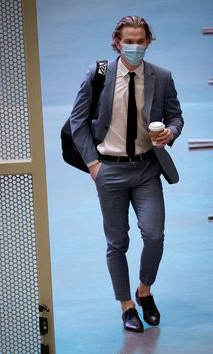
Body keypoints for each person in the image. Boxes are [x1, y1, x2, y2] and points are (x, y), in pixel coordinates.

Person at [70, 15, 184, 332]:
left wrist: (171, 133)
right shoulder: (99, 74)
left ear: (148, 42)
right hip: (110, 171)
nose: (134, 46)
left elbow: (176, 117)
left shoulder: (161, 77)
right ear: (117, 42)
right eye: (128, 41)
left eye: (140, 41)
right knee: (117, 242)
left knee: (155, 235)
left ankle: (144, 291)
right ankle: (127, 306)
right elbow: (77, 122)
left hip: (148, 168)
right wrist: (93, 164)